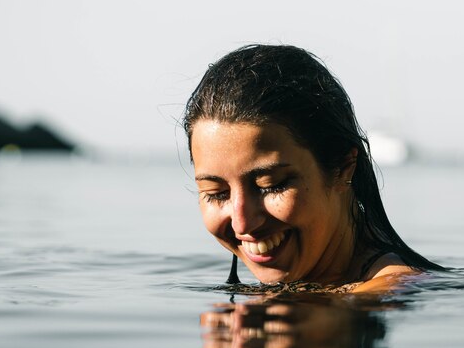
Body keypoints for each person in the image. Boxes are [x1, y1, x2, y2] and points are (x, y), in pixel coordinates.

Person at [183, 44, 442, 291]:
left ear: (343, 167)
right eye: (216, 193)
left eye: (271, 185)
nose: (242, 224)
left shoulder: (388, 292)